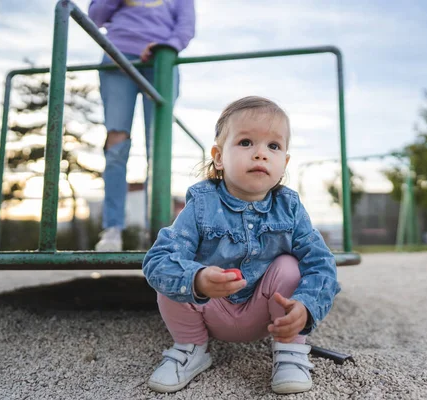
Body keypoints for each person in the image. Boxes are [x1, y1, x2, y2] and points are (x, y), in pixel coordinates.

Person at [142, 96, 341, 394]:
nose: (261, 154)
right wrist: (197, 279)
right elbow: (157, 260)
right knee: (176, 272)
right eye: (246, 142)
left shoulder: (290, 208)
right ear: (219, 157)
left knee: (289, 266)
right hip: (211, 308)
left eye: (273, 146)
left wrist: (307, 307)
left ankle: (290, 351)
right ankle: (191, 349)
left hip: (268, 315)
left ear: (284, 162)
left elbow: (321, 263)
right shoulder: (201, 205)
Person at [88, 0, 196, 251]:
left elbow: (186, 26)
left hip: (160, 58)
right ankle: (112, 229)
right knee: (116, 140)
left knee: (157, 145)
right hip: (118, 56)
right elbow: (96, 16)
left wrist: (168, 46)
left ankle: (157, 232)